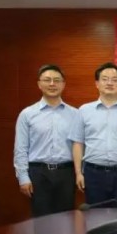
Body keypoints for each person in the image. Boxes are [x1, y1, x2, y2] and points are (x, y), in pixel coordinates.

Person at [13, 64, 79, 217]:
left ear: (63, 84)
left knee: (66, 220)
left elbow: (79, 147)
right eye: (47, 80)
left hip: (66, 173)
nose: (52, 84)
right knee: (41, 221)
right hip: (38, 173)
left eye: (57, 80)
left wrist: (79, 173)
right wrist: (23, 177)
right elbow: (21, 148)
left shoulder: (75, 114)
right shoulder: (27, 114)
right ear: (39, 84)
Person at [69, 62, 117, 207]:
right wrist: (78, 173)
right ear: (97, 84)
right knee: (95, 216)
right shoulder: (84, 110)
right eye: (105, 79)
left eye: (114, 80)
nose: (110, 83)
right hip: (93, 173)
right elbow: (78, 144)